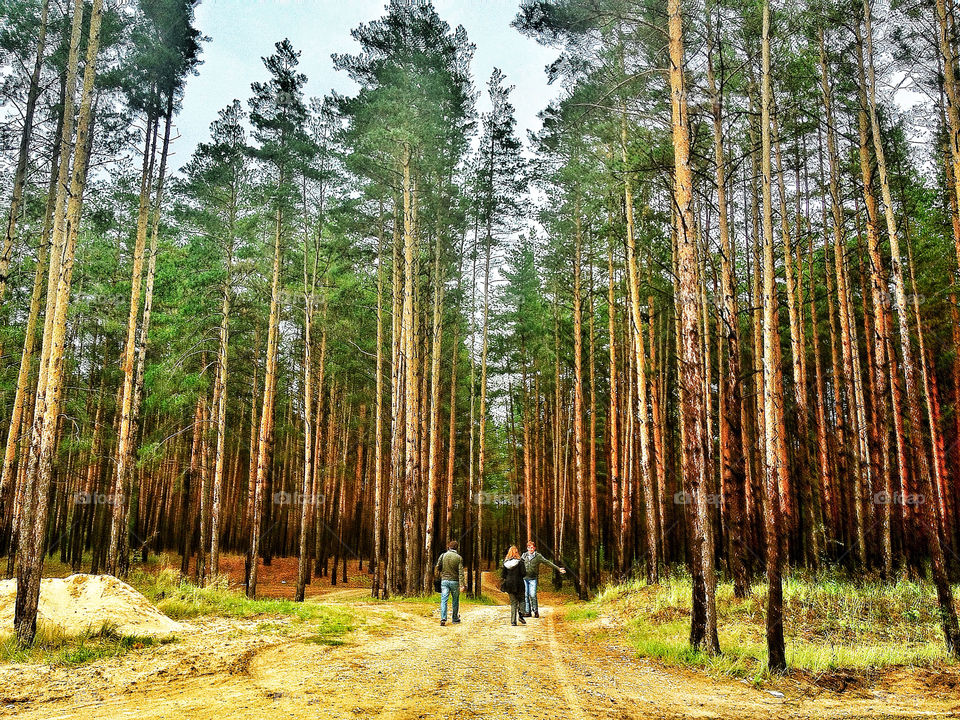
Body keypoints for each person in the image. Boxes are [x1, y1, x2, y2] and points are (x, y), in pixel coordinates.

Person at [520, 540, 565, 618]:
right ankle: (527, 612)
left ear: (534, 548)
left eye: (531, 547)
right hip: (524, 578)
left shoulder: (538, 556)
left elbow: (547, 562)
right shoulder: (524, 555)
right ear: (527, 548)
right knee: (526, 595)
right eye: (528, 547)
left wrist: (558, 569)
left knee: (533, 595)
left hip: (533, 579)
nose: (530, 549)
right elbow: (519, 565)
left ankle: (535, 610)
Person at [435, 540, 463, 626]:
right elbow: (461, 572)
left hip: (444, 581)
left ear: (449, 547)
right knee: (455, 600)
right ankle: (455, 618)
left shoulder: (443, 555)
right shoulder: (459, 558)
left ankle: (443, 618)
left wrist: (441, 572)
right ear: (456, 548)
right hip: (455, 581)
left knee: (444, 600)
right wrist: (462, 585)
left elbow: (438, 567)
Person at [501, 545, 526, 626]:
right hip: (519, 584)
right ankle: (521, 613)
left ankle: (513, 621)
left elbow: (503, 575)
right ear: (517, 553)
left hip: (509, 585)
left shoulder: (505, 563)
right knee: (522, 600)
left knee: (513, 603)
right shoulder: (520, 562)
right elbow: (523, 573)